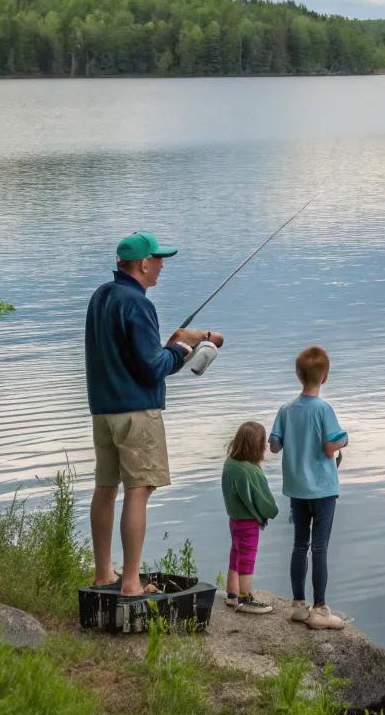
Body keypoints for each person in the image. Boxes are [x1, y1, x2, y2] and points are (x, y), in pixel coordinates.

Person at [85, 230, 222, 597]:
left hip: (103, 411)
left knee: (105, 488)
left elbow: (129, 357)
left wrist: (172, 346)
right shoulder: (139, 304)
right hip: (136, 413)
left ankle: (103, 574)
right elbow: (151, 368)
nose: (162, 265)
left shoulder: (102, 296)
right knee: (138, 490)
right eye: (159, 259)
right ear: (143, 263)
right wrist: (180, 349)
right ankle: (130, 582)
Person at [269, 345, 349, 631]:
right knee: (320, 547)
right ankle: (321, 607)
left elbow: (274, 446)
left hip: (296, 489)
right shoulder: (324, 410)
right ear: (324, 377)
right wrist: (344, 440)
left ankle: (298, 605)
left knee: (299, 545)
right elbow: (329, 448)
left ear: (297, 374)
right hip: (323, 490)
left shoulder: (286, 410)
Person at [222, 420, 279, 614]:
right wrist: (271, 511)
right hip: (247, 522)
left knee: (236, 553)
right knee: (247, 556)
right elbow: (263, 501)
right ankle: (245, 598)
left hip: (234, 519)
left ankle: (232, 594)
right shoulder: (250, 470)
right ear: (258, 447)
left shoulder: (230, 463)